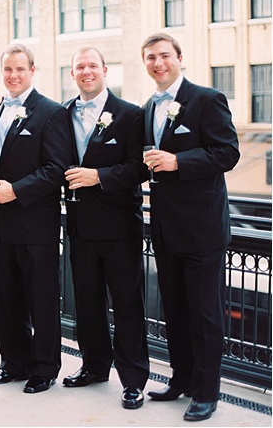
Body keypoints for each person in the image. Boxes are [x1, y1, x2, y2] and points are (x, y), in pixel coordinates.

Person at [141, 33, 240, 423]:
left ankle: (206, 392)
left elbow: (227, 152)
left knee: (205, 314)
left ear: (180, 58)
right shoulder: (149, 105)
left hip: (202, 231)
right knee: (176, 312)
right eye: (151, 57)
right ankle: (180, 379)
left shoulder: (207, 99)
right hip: (165, 230)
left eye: (164, 55)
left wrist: (178, 162)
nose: (158, 62)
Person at [0, 44, 72, 394]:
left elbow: (56, 169)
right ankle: (13, 362)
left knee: (42, 299)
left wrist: (16, 191)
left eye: (20, 69)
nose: (13, 76)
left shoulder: (51, 112)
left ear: (33, 70)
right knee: (5, 299)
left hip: (36, 225)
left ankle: (45, 367)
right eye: (7, 70)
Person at [62, 47, 149, 410]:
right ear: (73, 74)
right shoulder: (61, 114)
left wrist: (99, 176)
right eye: (79, 67)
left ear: (105, 70)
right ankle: (94, 366)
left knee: (127, 305)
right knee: (87, 303)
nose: (86, 71)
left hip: (119, 227)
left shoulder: (130, 115)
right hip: (79, 227)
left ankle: (133, 380)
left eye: (92, 65)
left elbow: (140, 168)